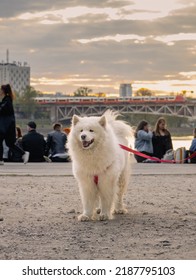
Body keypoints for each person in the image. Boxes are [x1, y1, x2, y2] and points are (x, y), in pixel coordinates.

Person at [0, 84, 29, 165]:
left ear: (4, 91)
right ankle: (23, 153)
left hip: (5, 126)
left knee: (3, 141)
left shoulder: (7, 100)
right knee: (10, 143)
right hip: (8, 125)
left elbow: (1, 110)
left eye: (1, 89)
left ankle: (1, 160)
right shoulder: (7, 100)